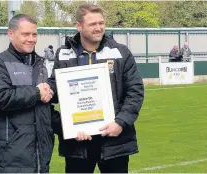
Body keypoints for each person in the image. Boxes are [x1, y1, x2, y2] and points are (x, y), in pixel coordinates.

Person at [47, 4, 144, 173]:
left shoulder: (120, 52)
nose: (99, 28)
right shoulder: (63, 54)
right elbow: (57, 90)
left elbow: (135, 91)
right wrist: (66, 126)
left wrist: (120, 123)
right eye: (93, 24)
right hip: (78, 142)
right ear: (79, 26)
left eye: (101, 23)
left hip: (115, 140)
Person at [0, 14, 56, 173]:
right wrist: (37, 93)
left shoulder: (41, 64)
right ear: (10, 34)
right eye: (25, 34)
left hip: (41, 159)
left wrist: (75, 124)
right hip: (10, 160)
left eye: (34, 34)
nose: (31, 39)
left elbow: (44, 110)